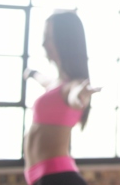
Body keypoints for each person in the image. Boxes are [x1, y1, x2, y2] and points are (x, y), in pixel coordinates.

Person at [22, 12, 101, 185]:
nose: (44, 43)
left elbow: (75, 96)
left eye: (49, 37)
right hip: (42, 177)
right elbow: (44, 80)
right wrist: (32, 73)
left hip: (59, 178)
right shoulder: (57, 84)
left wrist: (80, 95)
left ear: (65, 40)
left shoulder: (73, 86)